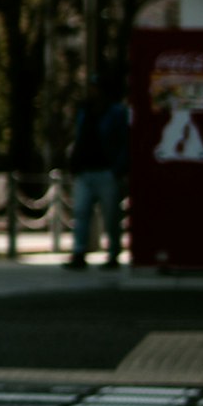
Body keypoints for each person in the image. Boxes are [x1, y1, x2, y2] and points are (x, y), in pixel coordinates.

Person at [64, 71, 131, 269]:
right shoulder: (85, 111)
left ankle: (113, 254)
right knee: (81, 211)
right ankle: (79, 251)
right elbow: (80, 138)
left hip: (106, 170)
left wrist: (118, 168)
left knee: (110, 215)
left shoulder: (117, 112)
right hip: (86, 169)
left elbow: (124, 142)